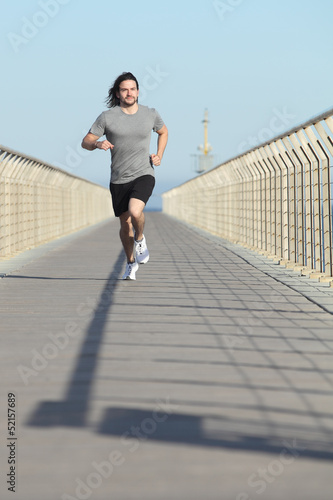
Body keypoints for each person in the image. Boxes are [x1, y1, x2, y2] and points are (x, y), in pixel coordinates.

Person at [81, 72, 168, 280]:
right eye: (124, 89)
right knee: (124, 224)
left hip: (144, 172)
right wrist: (97, 143)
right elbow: (85, 141)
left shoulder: (150, 114)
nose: (129, 93)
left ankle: (140, 239)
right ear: (118, 94)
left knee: (135, 211)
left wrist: (159, 156)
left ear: (138, 91)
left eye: (133, 89)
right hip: (119, 178)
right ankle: (130, 263)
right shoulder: (107, 117)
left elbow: (163, 132)